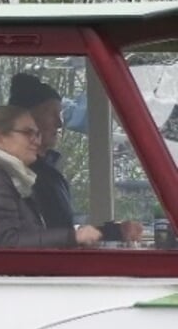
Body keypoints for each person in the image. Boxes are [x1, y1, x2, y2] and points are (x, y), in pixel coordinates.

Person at [8, 73, 142, 244]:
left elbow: (59, 232)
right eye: (51, 113)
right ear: (27, 120)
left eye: (61, 114)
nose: (60, 123)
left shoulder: (48, 174)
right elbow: (31, 241)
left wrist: (113, 232)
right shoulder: (15, 177)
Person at [0, 104, 103, 248]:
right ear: (0, 139)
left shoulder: (3, 177)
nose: (37, 141)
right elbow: (5, 241)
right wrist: (72, 236)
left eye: (38, 134)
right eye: (28, 133)